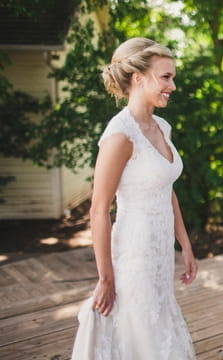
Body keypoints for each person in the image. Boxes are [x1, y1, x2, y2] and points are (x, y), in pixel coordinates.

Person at [71, 37, 197, 359]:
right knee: (139, 333)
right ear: (138, 78)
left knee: (159, 325)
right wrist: (105, 278)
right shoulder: (120, 135)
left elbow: (166, 188)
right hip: (134, 255)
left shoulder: (162, 127)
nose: (172, 85)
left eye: (173, 77)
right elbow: (98, 211)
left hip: (160, 253)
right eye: (166, 77)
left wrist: (184, 244)